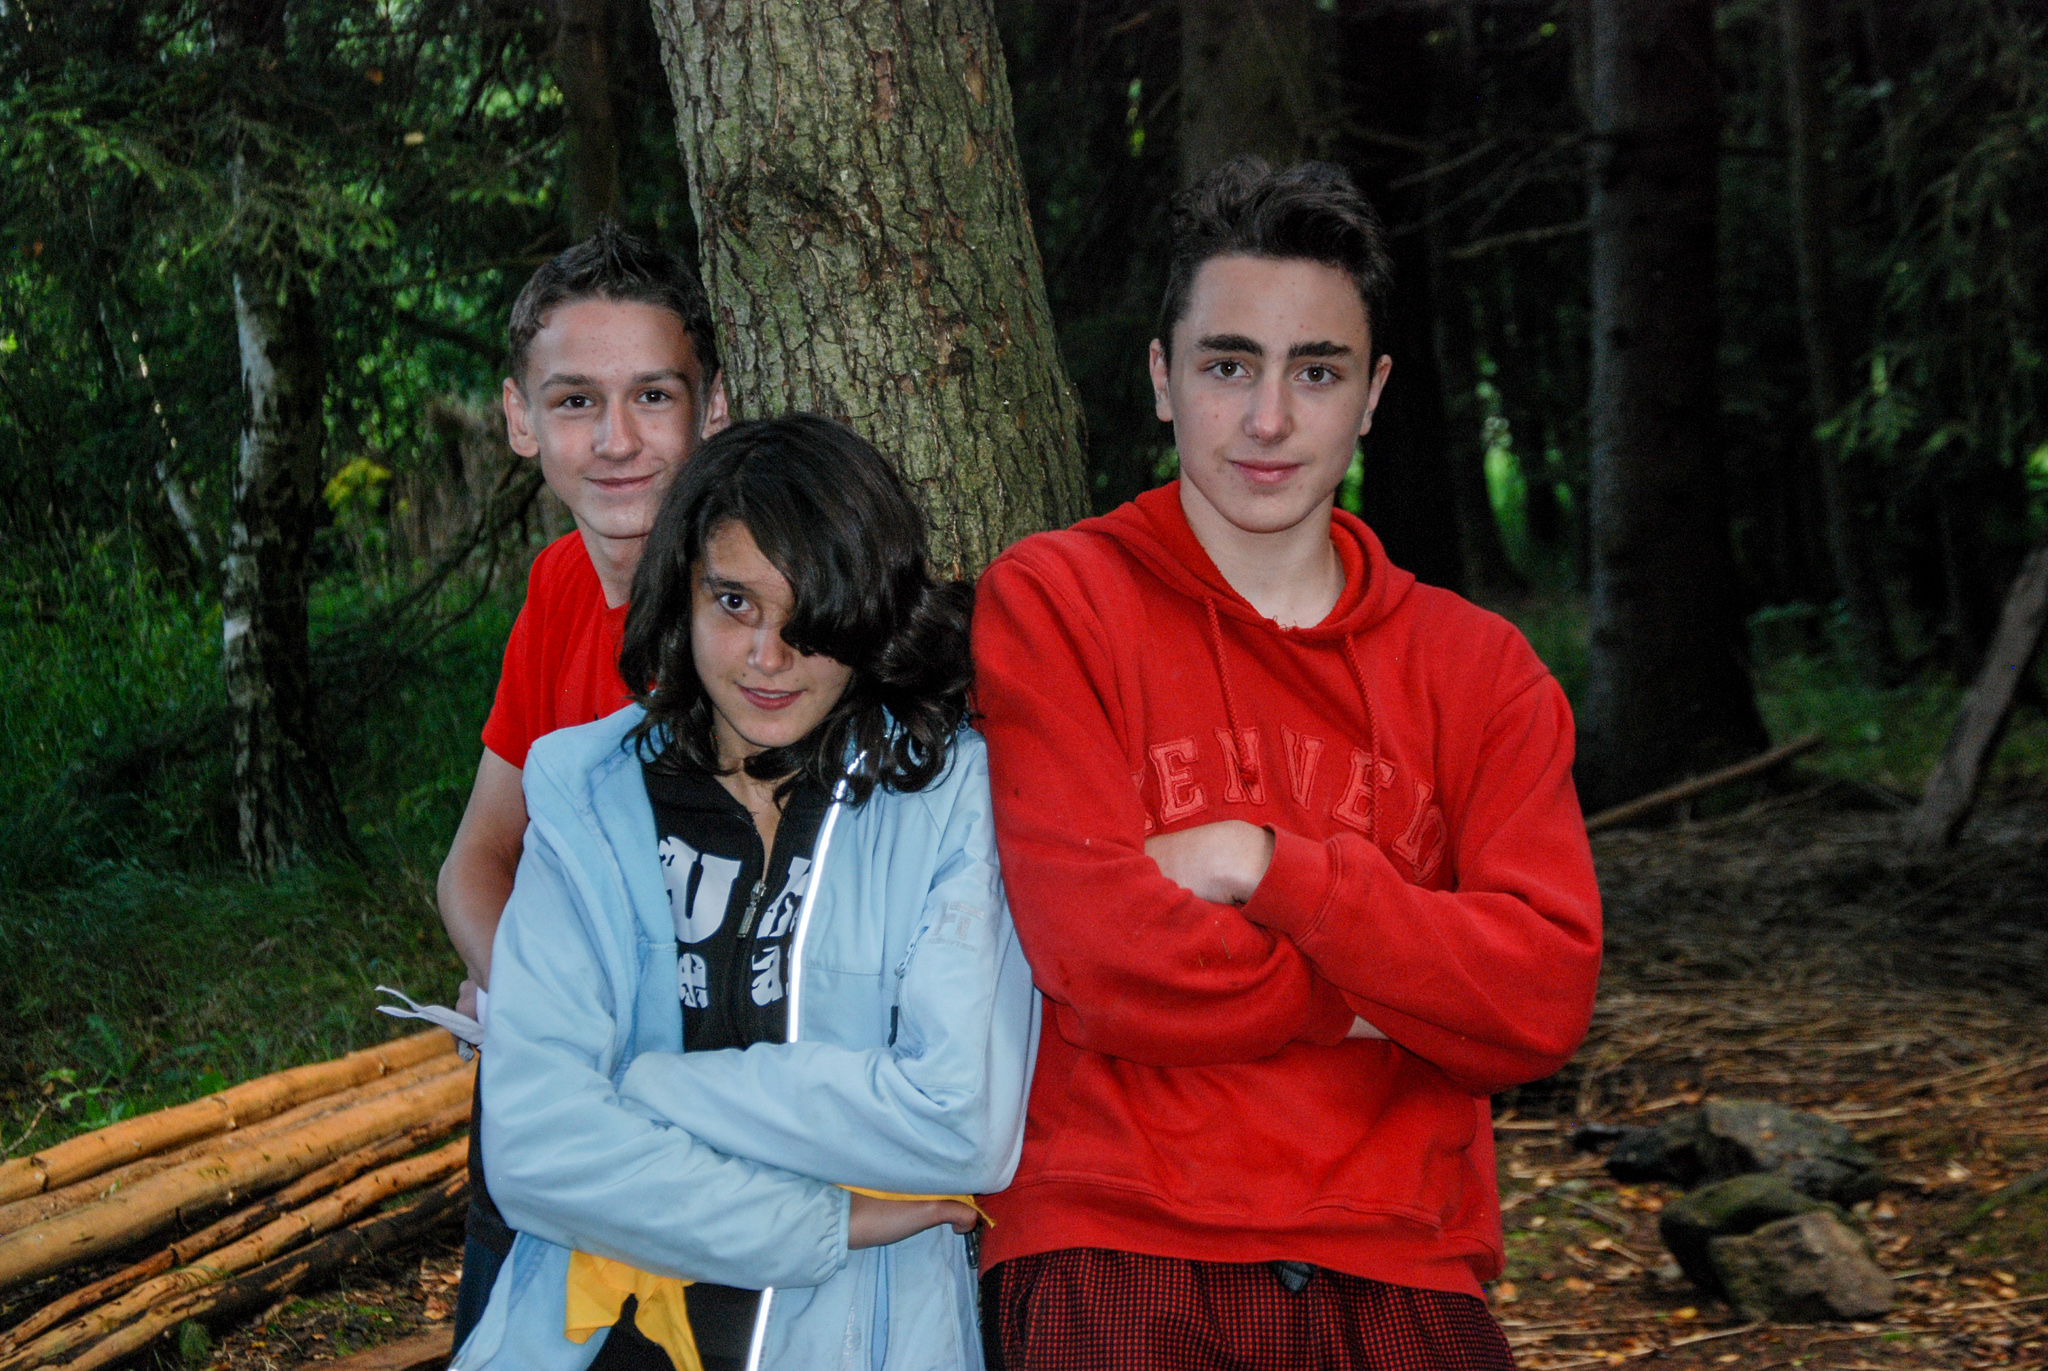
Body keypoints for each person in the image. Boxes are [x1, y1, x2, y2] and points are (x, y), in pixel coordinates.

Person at [971, 156, 1603, 1369]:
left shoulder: (1481, 672)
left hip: (1405, 1260)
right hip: (1117, 1245)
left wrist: (1261, 866)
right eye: (1227, 366)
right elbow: (1098, 962)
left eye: (1314, 372)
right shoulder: (1058, 602)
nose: (1267, 420)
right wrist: (1381, 998)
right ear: (1162, 379)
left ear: (1370, 395)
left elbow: (1537, 1001)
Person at [451, 415, 1038, 1371]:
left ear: (869, 612)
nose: (769, 655)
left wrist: (644, 1087)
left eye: (810, 618)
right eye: (734, 602)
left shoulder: (943, 794)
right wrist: (824, 1219)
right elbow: (533, 1150)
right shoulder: (585, 793)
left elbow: (959, 1119)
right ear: (679, 590)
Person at [436, 223, 731, 1344]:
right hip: (555, 1096)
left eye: (652, 396)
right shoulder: (559, 583)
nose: (616, 440)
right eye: (574, 402)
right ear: (520, 420)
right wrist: (526, 993)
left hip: (707, 1117)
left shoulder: (754, 623)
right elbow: (475, 860)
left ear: (712, 409)